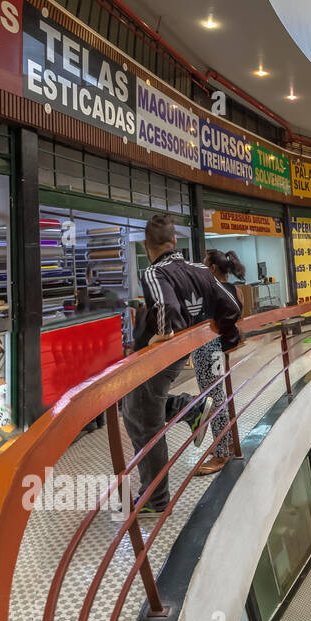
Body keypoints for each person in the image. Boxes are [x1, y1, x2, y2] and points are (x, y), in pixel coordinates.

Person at [121, 215, 242, 514]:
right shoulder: (201, 269)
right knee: (135, 407)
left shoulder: (153, 272)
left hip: (160, 357)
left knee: (140, 418)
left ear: (147, 247)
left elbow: (168, 309)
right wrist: (216, 331)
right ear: (175, 241)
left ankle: (156, 499)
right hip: (188, 349)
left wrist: (161, 336)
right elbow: (233, 305)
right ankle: (190, 408)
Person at [192, 248, 246, 475]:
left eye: (205, 264)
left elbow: (229, 313)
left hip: (209, 349)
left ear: (212, 268)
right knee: (217, 396)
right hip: (216, 349)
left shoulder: (213, 289)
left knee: (213, 398)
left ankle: (221, 453)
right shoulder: (232, 288)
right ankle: (229, 443)